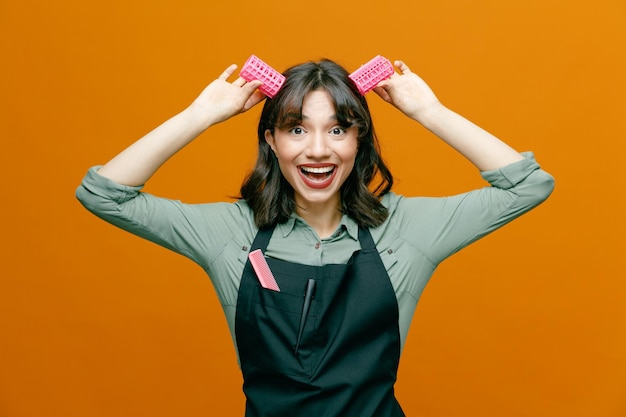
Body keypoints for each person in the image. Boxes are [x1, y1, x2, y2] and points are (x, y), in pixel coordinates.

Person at [76, 57, 554, 417]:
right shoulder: (230, 233)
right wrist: (200, 115)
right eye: (297, 129)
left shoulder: (406, 231)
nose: (318, 150)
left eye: (339, 129)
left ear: (359, 141)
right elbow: (103, 195)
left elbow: (529, 185)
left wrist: (429, 111)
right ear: (272, 141)